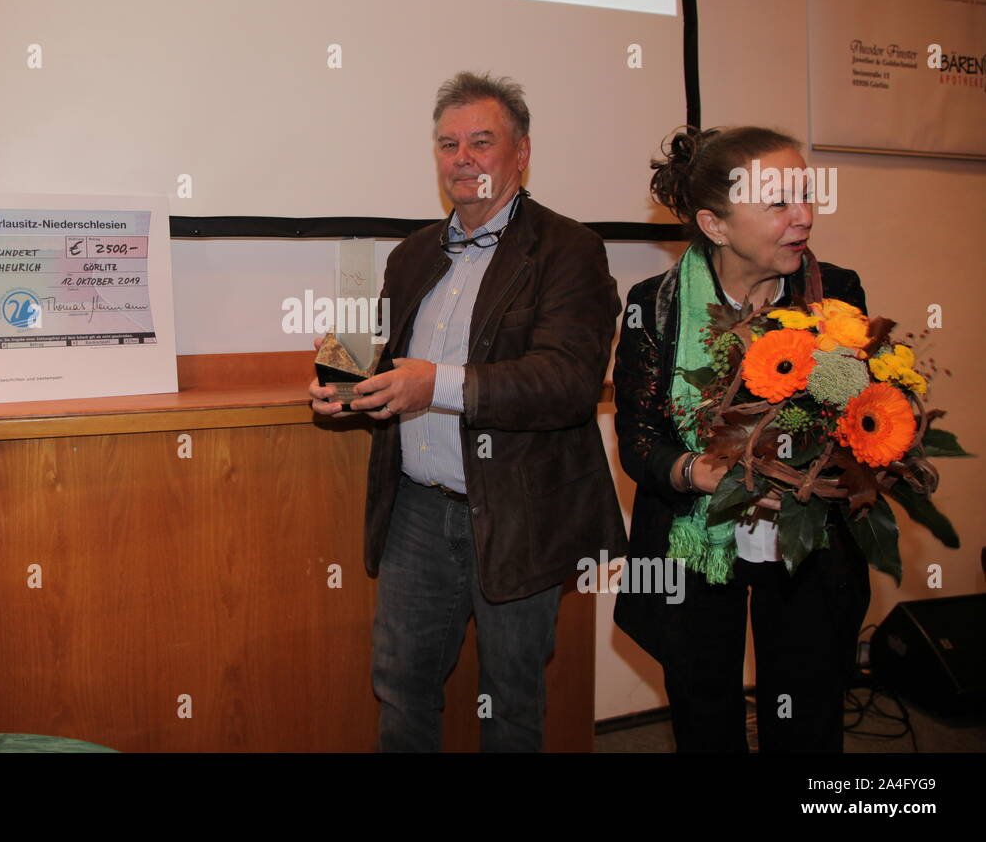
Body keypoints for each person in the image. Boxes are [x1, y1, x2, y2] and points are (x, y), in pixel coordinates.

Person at [308, 71, 625, 751]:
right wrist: (339, 385)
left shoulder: (570, 250)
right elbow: (376, 358)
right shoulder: (411, 253)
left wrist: (435, 385)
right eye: (448, 144)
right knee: (401, 686)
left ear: (522, 153)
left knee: (510, 701)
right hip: (416, 514)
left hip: (519, 514)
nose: (463, 158)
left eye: (481, 142)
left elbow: (567, 381)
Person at [612, 125, 871, 752]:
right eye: (778, 202)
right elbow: (640, 441)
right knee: (705, 715)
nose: (804, 216)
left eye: (805, 196)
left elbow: (861, 416)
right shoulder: (657, 306)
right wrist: (697, 473)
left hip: (806, 539)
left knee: (807, 714)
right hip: (695, 544)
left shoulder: (835, 293)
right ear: (716, 223)